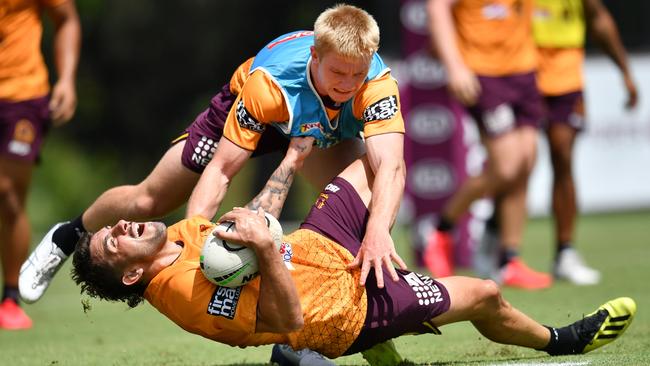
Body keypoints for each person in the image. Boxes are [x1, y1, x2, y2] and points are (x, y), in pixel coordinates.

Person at [70, 155, 636, 363]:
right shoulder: (186, 298)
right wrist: (267, 247)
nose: (119, 225)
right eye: (113, 242)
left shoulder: (176, 234)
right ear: (133, 273)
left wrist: (292, 157)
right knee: (484, 294)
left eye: (112, 227)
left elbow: (238, 209)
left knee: (375, 162)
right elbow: (289, 322)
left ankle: (384, 247)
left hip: (323, 242)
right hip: (341, 312)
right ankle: (564, 340)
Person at [20, 3, 407, 305]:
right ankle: (65, 236)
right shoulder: (268, 85)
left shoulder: (375, 83)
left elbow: (390, 165)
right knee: (152, 198)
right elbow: (222, 172)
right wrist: (194, 245)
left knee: (363, 203)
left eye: (357, 74)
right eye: (338, 73)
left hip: (324, 130)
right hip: (258, 114)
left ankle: (356, 308)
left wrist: (376, 233)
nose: (348, 84)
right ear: (315, 57)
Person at [424, 0, 552, 289]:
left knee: (527, 161)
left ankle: (509, 259)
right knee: (506, 168)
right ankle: (442, 229)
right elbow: (437, 8)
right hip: (482, 72)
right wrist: (454, 66)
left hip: (524, 69)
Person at [529, 0, 638, 285]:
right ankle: (499, 242)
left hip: (565, 76)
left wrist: (624, 71)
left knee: (562, 156)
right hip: (520, 72)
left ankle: (565, 252)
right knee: (515, 162)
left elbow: (599, 19)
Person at [0, 0, 80, 329]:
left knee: (6, 194)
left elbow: (67, 19)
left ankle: (10, 297)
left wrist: (67, 80)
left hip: (22, 95)